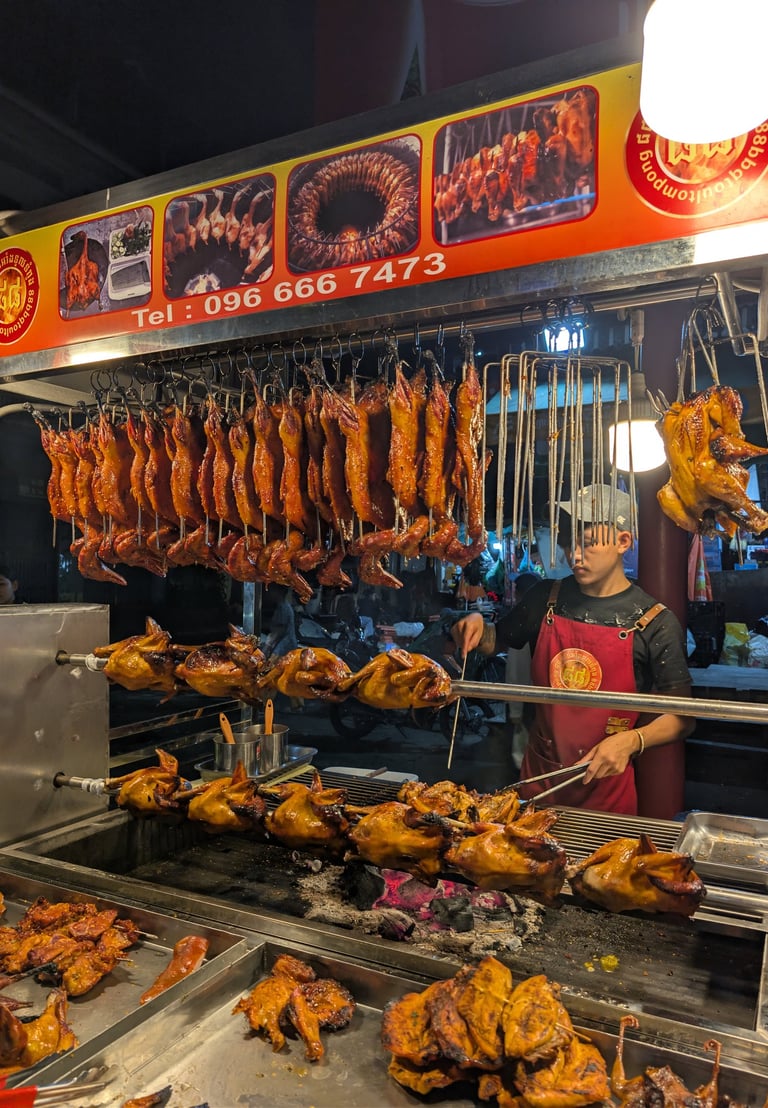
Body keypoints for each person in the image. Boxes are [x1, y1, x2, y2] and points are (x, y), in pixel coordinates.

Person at [452, 484, 693, 816]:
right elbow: (495, 641)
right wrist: (474, 624)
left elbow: (682, 717)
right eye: (569, 543)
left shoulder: (654, 621)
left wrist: (633, 741)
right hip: (541, 779)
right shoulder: (544, 598)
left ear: (624, 541)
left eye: (589, 543)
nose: (574, 555)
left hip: (607, 790)